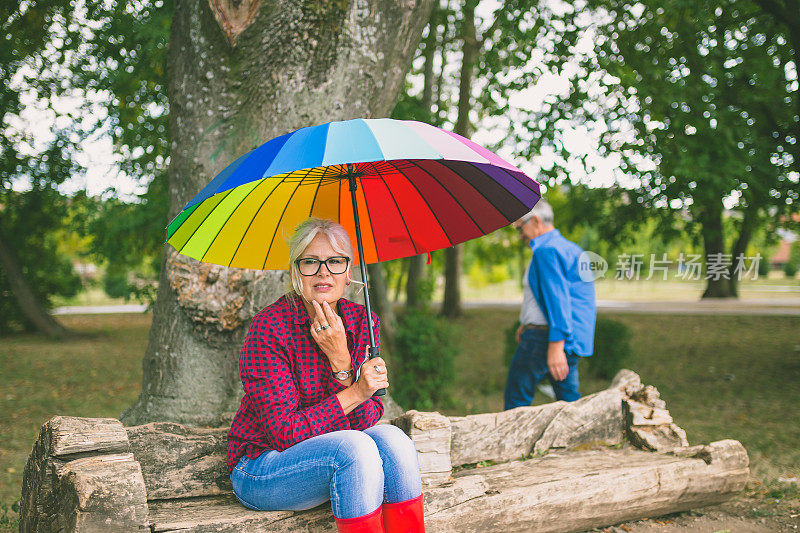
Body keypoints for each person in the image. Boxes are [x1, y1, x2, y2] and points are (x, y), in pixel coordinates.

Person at [227, 217, 425, 533]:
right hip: (262, 467)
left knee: (395, 441)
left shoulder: (363, 322)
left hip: (334, 456)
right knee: (354, 449)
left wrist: (340, 357)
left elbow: (365, 420)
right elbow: (285, 434)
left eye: (335, 261)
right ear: (295, 272)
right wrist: (357, 390)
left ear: (348, 273)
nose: (323, 272)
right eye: (310, 262)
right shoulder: (269, 329)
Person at [503, 200, 597, 410]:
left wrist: (556, 345)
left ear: (535, 220)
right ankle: (579, 440)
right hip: (563, 336)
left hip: (545, 337)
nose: (520, 236)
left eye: (520, 228)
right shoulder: (569, 248)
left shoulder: (546, 250)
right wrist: (525, 323)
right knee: (569, 404)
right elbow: (562, 297)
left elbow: (558, 299)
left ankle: (511, 443)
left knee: (516, 400)